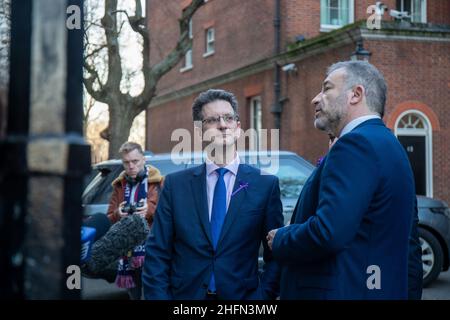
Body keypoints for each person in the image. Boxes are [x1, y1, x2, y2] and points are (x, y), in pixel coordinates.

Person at [267, 61, 416, 299]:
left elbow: (329, 232)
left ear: (356, 94)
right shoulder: (389, 144)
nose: (316, 99)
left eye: (326, 89)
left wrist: (281, 238)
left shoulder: (355, 144)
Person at [142, 89, 284, 300]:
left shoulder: (265, 185)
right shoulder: (175, 185)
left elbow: (276, 256)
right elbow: (157, 253)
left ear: (238, 128)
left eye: (229, 118)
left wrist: (261, 298)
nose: (223, 125)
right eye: (213, 120)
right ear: (199, 132)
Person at [83, 141, 163, 300]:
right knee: (134, 295)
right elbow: (108, 219)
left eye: (135, 161)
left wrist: (149, 209)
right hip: (127, 253)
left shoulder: (159, 182)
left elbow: (168, 214)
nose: (131, 166)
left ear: (144, 160)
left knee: (153, 294)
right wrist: (118, 214)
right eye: (126, 162)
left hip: (152, 251)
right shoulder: (119, 185)